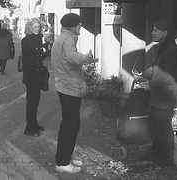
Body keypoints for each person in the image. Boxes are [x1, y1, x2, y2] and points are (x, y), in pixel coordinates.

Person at [51, 13, 98, 173]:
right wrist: (86, 58)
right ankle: (62, 162)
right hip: (69, 88)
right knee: (70, 126)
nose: (80, 28)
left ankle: (65, 157)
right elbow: (72, 57)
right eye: (78, 25)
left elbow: (67, 57)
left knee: (71, 124)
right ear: (72, 26)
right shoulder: (68, 39)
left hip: (65, 87)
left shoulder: (61, 39)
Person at [134, 20, 177, 164]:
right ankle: (156, 153)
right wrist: (142, 75)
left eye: (156, 30)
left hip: (165, 98)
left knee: (163, 128)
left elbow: (168, 78)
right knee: (155, 126)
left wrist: (149, 84)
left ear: (165, 32)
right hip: (159, 97)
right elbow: (156, 67)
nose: (152, 33)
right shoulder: (164, 47)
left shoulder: (172, 50)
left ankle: (166, 158)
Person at [21, 18, 49, 137]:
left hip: (38, 74)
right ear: (30, 28)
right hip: (31, 75)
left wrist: (46, 49)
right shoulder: (26, 40)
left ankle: (34, 123)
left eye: (38, 27)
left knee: (36, 100)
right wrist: (44, 54)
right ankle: (29, 128)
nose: (37, 29)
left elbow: (39, 56)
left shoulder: (38, 39)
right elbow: (27, 58)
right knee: (31, 102)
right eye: (35, 27)